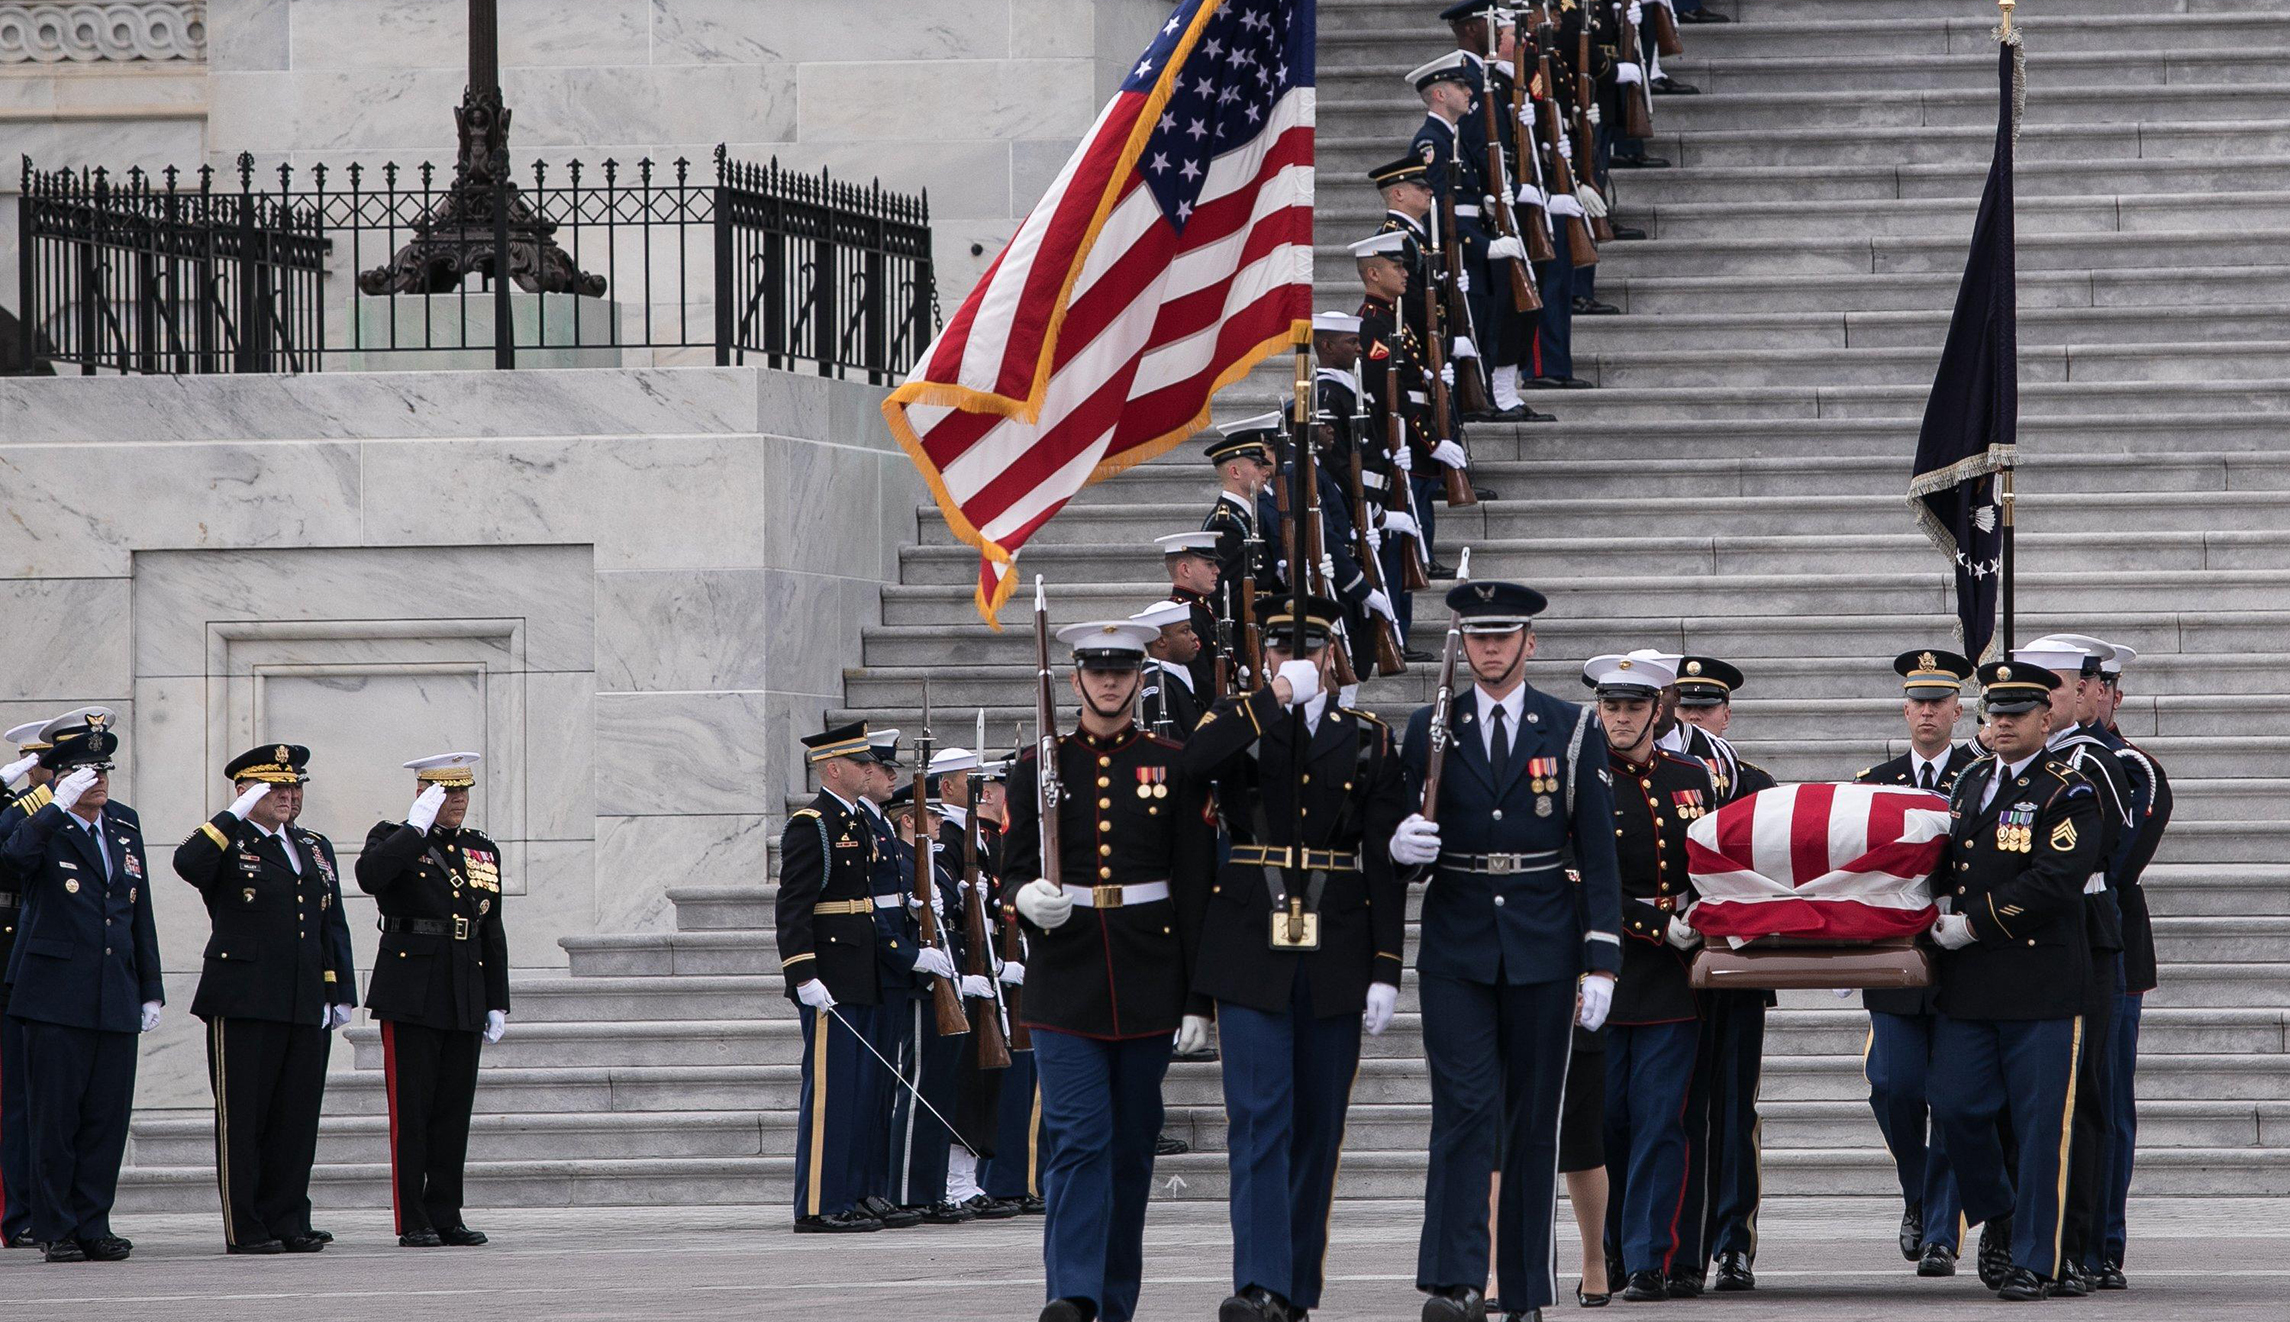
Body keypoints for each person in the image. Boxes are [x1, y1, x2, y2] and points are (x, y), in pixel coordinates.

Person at [1389, 581, 1623, 1322]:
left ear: (1530, 642)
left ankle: (1522, 1291)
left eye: (1504, 635)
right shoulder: (1432, 725)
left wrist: (1603, 958)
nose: (1490, 648)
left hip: (1543, 944)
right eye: (1478, 636)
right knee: (1463, 1111)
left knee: (1532, 1121)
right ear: (1462, 642)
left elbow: (1596, 852)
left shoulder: (1572, 727)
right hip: (1458, 943)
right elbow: (1409, 836)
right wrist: (1405, 849)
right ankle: (1457, 1279)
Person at [1180, 594, 1409, 1322]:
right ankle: (1260, 1283)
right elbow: (1192, 767)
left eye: (1311, 652)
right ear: (1266, 656)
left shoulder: (1368, 737)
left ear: (1336, 657)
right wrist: (1273, 697)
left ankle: (1296, 1288)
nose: (1298, 662)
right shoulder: (1238, 720)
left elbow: (1382, 857)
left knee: (1318, 1124)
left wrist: (1385, 966)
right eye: (1282, 651)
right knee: (1257, 1118)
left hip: (1337, 942)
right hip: (1251, 944)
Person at [1000, 617, 1214, 1322]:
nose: (1110, 682)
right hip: (1066, 978)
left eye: (1122, 670)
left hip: (1149, 975)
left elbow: (1193, 883)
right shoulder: (1039, 766)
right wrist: (1025, 899)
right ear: (1076, 680)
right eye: (1098, 671)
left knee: (1127, 1151)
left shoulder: (1174, 762)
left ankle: (1113, 1299)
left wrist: (1197, 999)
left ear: (1139, 677)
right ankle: (1072, 1293)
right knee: (1077, 1137)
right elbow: (1013, 873)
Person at [1925, 661, 2100, 1301]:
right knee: (1955, 1108)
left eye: (2015, 715)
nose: (2000, 724)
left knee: (2039, 1127)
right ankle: (1998, 1214)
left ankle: (2037, 1258)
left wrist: (1974, 924)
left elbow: (2056, 880)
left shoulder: (2069, 790)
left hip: (2039, 983)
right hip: (1970, 987)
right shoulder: (1970, 784)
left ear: (2045, 718)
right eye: (1993, 714)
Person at [172, 743, 356, 1254]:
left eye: (294, 787)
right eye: (275, 787)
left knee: (295, 1116)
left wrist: (340, 989)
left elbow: (330, 922)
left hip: (303, 997)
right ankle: (246, 1225)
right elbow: (187, 863)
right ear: (245, 791)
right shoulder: (226, 840)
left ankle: (289, 1217)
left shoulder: (313, 845)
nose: (288, 796)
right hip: (244, 998)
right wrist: (232, 814)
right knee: (244, 1117)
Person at [1572, 653, 1713, 1303]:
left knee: (1660, 1119)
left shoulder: (1693, 776)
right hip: (1605, 972)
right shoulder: (1580, 777)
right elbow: (1575, 877)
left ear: (1658, 709)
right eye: (1610, 706)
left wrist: (1704, 913)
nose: (1620, 718)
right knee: (1609, 1123)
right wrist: (1657, 925)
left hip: (1671, 981)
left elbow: (1715, 861)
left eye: (1633, 707)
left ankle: (1649, 1255)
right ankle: (1611, 1250)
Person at [1, 710, 160, 1262]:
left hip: (113, 988)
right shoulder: (44, 822)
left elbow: (138, 909)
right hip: (54, 992)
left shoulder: (122, 822)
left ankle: (94, 1222)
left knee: (104, 1118)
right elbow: (15, 856)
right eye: (84, 771)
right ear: (63, 775)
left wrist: (150, 987)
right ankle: (56, 1226)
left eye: (103, 768)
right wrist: (53, 805)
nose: (99, 779)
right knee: (55, 1116)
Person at [2014, 637, 2137, 1298]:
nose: (2043, 702)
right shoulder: (2013, 762)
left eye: (2053, 689)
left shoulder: (2090, 759)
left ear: (2086, 692)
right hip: (2033, 942)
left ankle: (2083, 1244)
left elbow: (2116, 847)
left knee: (2085, 1091)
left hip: (2085, 933)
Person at [1854, 648, 1980, 1275]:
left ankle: (1940, 1231)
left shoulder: (1985, 775)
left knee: (1954, 1096)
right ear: (1905, 710)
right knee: (1893, 1086)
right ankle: (1919, 1193)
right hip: (1896, 962)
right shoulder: (1871, 783)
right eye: (1917, 701)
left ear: (1960, 708)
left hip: (1964, 958)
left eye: (1940, 700)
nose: (1928, 710)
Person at [355, 751, 509, 1249]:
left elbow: (492, 926)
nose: (459, 800)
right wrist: (414, 829)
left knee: (451, 1112)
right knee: (413, 1112)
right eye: (447, 791)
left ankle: (446, 1211)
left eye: (463, 790)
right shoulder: (392, 837)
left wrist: (495, 1000)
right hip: (412, 989)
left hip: (463, 986)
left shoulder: (481, 849)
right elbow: (371, 878)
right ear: (423, 793)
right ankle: (413, 1216)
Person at [0, 717, 60, 1249]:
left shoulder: (74, 813)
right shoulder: (22, 810)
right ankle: (16, 1211)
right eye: (45, 764)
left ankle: (45, 1210)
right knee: (16, 1099)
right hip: (9, 962)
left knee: (43, 1098)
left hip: (49, 963)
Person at [1158, 531, 1227, 697]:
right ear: (1185, 570)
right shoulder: (1181, 617)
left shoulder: (1203, 609)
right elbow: (1201, 683)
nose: (1217, 570)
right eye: (1209, 564)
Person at [1134, 600, 1207, 740]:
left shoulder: (1172, 677)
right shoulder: (1155, 686)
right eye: (1185, 631)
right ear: (1161, 641)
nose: (1194, 636)